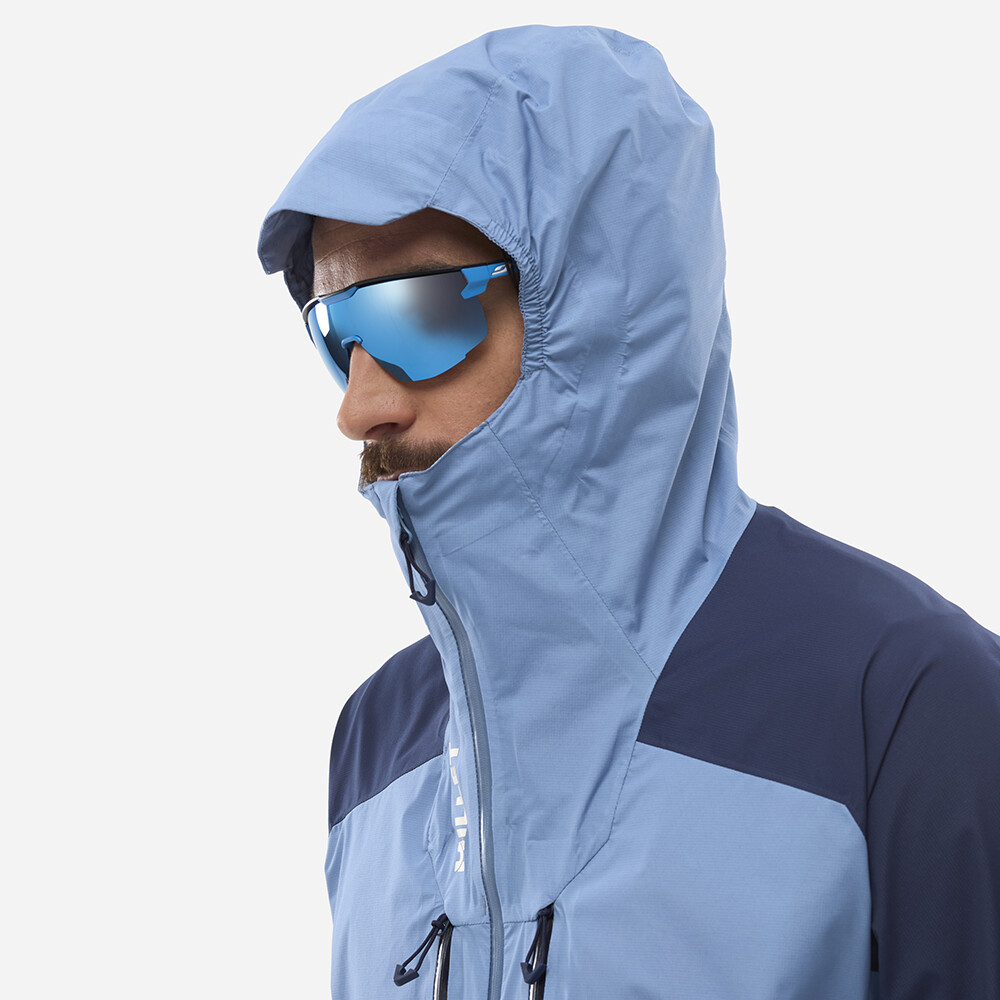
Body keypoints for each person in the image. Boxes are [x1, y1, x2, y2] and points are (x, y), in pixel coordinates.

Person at [257, 24, 1000, 1000]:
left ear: (599, 312)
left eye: (417, 315)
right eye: (336, 332)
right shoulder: (375, 742)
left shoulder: (905, 704)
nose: (358, 406)